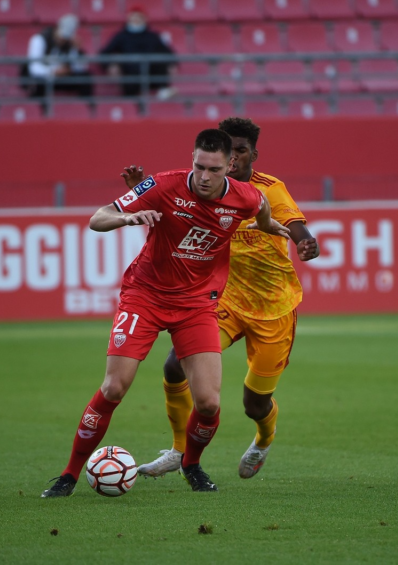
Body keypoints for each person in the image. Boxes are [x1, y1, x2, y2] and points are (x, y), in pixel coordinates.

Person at [41, 129, 291, 498]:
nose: (204, 177)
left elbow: (262, 209)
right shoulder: (161, 185)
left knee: (208, 403)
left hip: (195, 305)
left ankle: (191, 464)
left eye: (214, 169)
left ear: (230, 165)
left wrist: (269, 227)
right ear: (192, 159)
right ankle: (68, 475)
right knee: (114, 388)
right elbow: (98, 218)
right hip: (145, 297)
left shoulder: (247, 197)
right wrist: (128, 219)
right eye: (199, 166)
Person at [123, 118, 320, 481]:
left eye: (241, 152)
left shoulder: (268, 189)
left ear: (251, 155)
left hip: (273, 307)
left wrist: (305, 240)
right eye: (229, 153)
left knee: (254, 403)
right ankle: (179, 451)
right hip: (223, 302)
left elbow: (293, 224)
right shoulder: (204, 188)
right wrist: (143, 195)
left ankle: (263, 438)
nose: (233, 161)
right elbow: (172, 218)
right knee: (174, 367)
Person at [99, 5, 176, 98]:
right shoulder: (121, 36)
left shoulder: (153, 36)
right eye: (133, 16)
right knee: (128, 79)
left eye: (139, 17)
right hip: (130, 73)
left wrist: (172, 64)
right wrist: (110, 65)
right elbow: (104, 53)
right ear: (128, 18)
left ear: (145, 19)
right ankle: (130, 106)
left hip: (151, 73)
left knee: (159, 61)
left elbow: (168, 52)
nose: (136, 19)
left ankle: (163, 91)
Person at [24, 13, 93, 98]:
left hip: (61, 78)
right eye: (62, 35)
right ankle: (37, 110)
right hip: (45, 78)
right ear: (57, 27)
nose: (63, 39)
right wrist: (53, 71)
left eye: (66, 37)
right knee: (38, 84)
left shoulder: (70, 43)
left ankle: (85, 108)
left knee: (85, 78)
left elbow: (81, 68)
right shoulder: (39, 39)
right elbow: (34, 68)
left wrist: (75, 50)